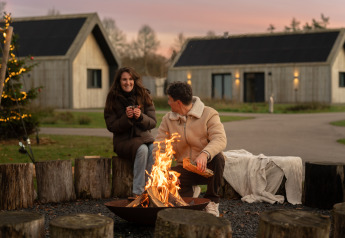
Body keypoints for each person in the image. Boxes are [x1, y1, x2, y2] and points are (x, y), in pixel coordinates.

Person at [154, 81, 227, 216]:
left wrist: (205, 154)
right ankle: (191, 194)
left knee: (218, 158)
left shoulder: (209, 114)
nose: (168, 103)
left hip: (207, 168)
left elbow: (220, 139)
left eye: (170, 100)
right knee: (171, 189)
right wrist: (162, 169)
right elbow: (160, 145)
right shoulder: (167, 120)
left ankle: (212, 202)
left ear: (178, 102)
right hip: (185, 168)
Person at [104, 66, 157, 197]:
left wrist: (140, 117)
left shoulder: (144, 95)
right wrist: (126, 118)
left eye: (130, 79)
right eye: (124, 80)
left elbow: (153, 122)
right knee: (143, 150)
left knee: (154, 149)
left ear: (135, 80)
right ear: (119, 81)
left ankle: (149, 188)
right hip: (123, 141)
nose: (128, 82)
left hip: (143, 137)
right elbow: (111, 126)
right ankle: (138, 193)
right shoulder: (112, 98)